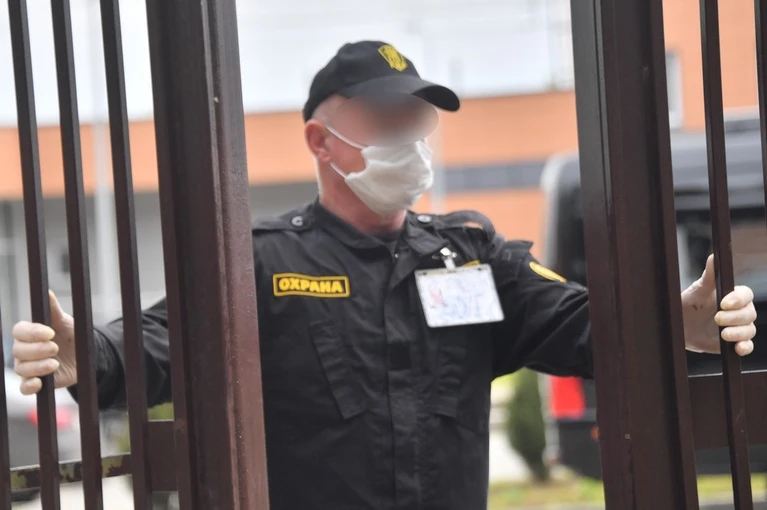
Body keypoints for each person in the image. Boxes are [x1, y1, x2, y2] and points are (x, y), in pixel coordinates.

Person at [11, 41, 758, 510]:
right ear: (321, 140)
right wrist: (88, 356)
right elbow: (160, 343)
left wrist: (677, 324)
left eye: (416, 120)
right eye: (384, 119)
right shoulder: (262, 263)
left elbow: (579, 322)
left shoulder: (470, 253)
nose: (408, 136)